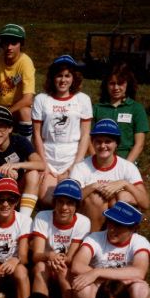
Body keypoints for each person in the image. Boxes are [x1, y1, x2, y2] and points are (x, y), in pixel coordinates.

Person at [70, 201, 150, 298]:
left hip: (122, 290)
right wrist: (118, 278)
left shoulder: (140, 242)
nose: (112, 229)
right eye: (110, 222)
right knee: (83, 288)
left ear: (133, 229)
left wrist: (96, 272)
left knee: (141, 290)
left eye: (119, 225)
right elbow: (77, 265)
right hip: (99, 290)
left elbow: (139, 272)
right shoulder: (94, 238)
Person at [32, 55, 92, 203]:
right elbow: (37, 134)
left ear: (73, 78)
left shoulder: (82, 99)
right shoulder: (41, 99)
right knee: (47, 199)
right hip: (49, 154)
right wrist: (44, 165)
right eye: (59, 76)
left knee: (71, 197)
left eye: (67, 76)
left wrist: (75, 166)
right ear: (52, 77)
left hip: (72, 155)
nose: (63, 80)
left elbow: (85, 135)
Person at [29, 178, 89, 298]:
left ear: (76, 206)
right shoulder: (43, 217)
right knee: (40, 268)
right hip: (46, 262)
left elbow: (71, 258)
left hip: (65, 265)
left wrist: (59, 260)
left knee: (63, 272)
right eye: (60, 202)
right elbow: (36, 255)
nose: (64, 207)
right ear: (54, 202)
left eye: (70, 203)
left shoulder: (83, 222)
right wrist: (49, 256)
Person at [72, 119, 148, 228]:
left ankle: (122, 235)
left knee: (124, 196)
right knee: (96, 199)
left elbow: (145, 203)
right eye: (98, 141)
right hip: (90, 215)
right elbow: (72, 200)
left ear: (116, 143)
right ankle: (94, 240)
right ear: (92, 143)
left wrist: (124, 183)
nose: (103, 146)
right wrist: (93, 186)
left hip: (116, 218)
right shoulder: (81, 167)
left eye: (108, 141)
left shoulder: (128, 167)